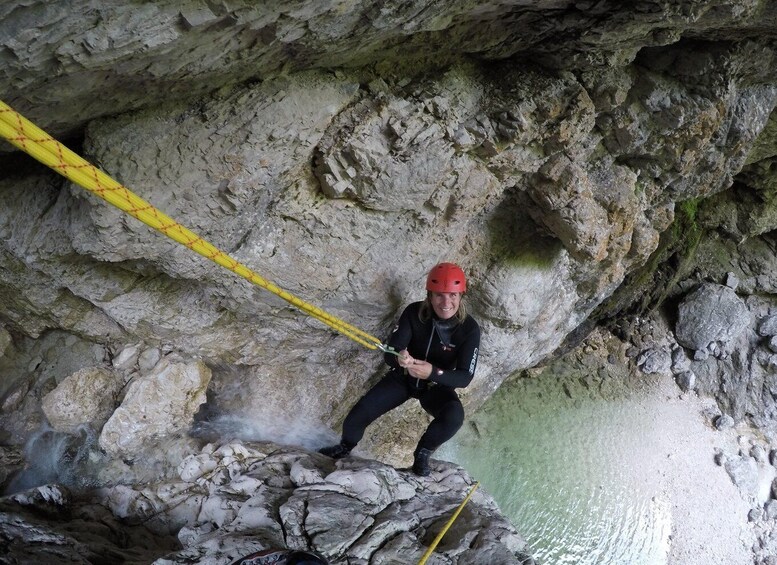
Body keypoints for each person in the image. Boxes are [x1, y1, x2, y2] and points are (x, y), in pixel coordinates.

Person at [319, 262, 481, 476]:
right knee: (357, 417)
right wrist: (400, 358)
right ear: (429, 295)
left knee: (453, 417)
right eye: (439, 295)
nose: (446, 302)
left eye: (452, 295)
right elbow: (390, 352)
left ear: (461, 296)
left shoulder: (469, 329)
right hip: (403, 379)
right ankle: (345, 447)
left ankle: (422, 454)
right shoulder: (415, 313)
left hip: (435, 386)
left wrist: (432, 373)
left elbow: (464, 377)